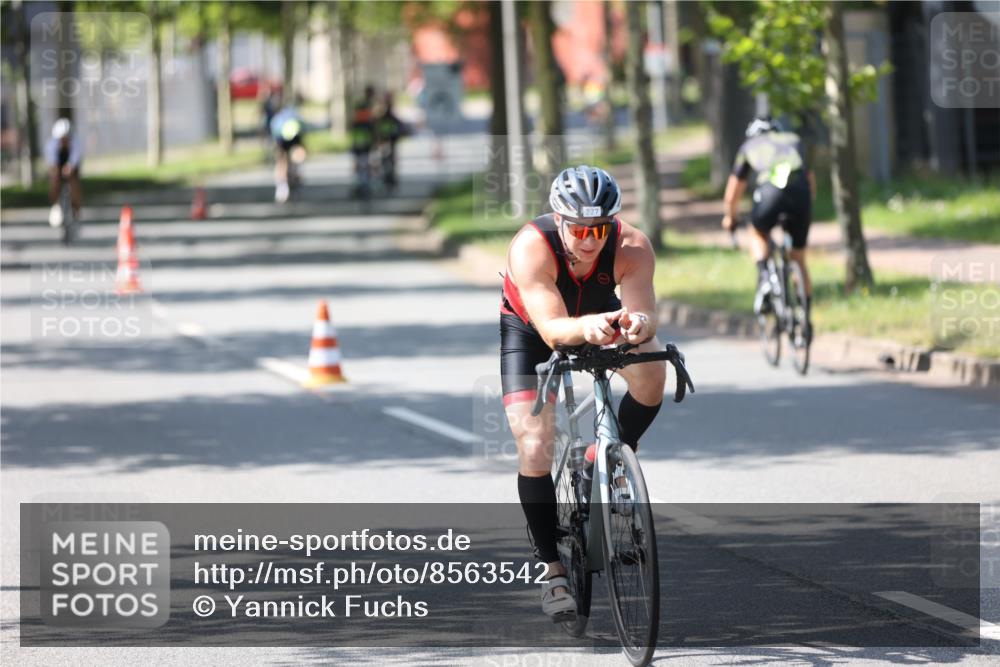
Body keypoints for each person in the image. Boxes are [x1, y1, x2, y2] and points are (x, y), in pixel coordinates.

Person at [500, 165, 666, 619]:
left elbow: (645, 312)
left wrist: (638, 323)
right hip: (533, 326)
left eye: (599, 228)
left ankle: (607, 457)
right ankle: (553, 572)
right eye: (579, 229)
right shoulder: (531, 247)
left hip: (599, 313)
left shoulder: (631, 246)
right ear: (559, 220)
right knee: (535, 443)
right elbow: (553, 330)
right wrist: (584, 328)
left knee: (652, 369)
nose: (590, 239)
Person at [721, 116, 816, 322]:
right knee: (798, 258)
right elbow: (810, 179)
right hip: (801, 195)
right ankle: (805, 319)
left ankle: (765, 276)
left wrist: (730, 218)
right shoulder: (793, 140)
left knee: (757, 231)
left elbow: (732, 195)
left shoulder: (749, 146)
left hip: (770, 195)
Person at [45, 118, 83, 229]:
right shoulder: (52, 145)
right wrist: (56, 169)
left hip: (70, 164)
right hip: (58, 163)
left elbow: (76, 156)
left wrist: (70, 166)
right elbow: (52, 161)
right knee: (54, 179)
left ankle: (76, 210)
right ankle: (55, 204)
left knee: (74, 182)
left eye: (66, 138)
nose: (64, 140)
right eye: (62, 138)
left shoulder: (75, 142)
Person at [269, 94, 307, 203]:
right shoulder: (294, 114)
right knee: (286, 160)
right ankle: (288, 181)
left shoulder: (277, 118)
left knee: (282, 161)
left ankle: (284, 184)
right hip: (288, 138)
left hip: (285, 138)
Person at [375, 91, 406, 190]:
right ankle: (387, 177)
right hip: (385, 139)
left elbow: (398, 124)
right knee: (386, 159)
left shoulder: (389, 112)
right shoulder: (382, 111)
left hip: (390, 139)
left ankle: (390, 177)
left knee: (390, 159)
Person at [349, 86, 377, 195]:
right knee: (365, 162)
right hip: (364, 139)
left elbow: (353, 124)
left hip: (359, 139)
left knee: (361, 162)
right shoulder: (368, 107)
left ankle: (361, 184)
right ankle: (363, 184)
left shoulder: (361, 106)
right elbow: (372, 124)